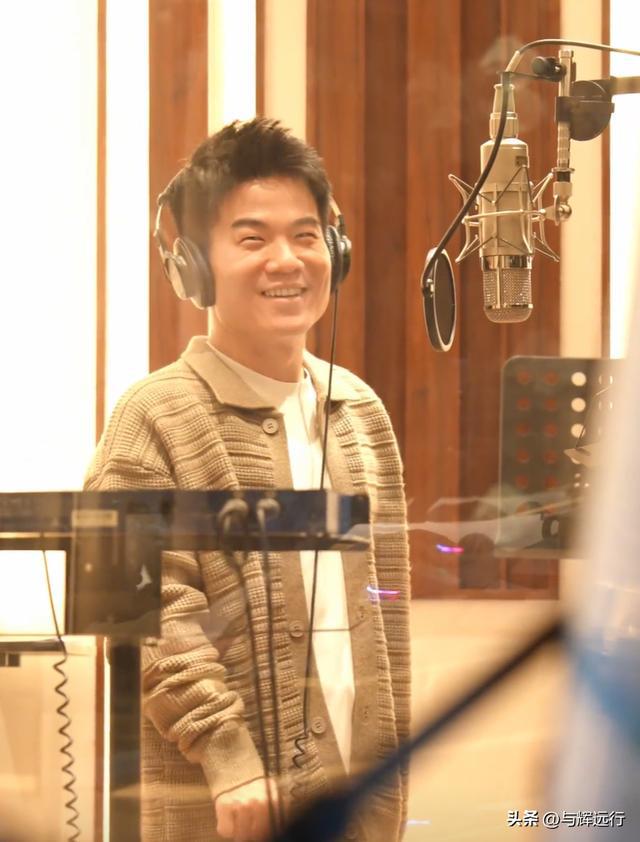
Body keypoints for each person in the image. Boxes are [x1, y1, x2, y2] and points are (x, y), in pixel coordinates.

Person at [85, 118, 411, 842]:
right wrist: (227, 756)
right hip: (222, 811)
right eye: (253, 238)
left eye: (306, 235)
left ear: (336, 250)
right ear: (195, 266)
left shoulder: (360, 412)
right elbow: (137, 617)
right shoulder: (150, 416)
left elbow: (383, 625)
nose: (287, 260)